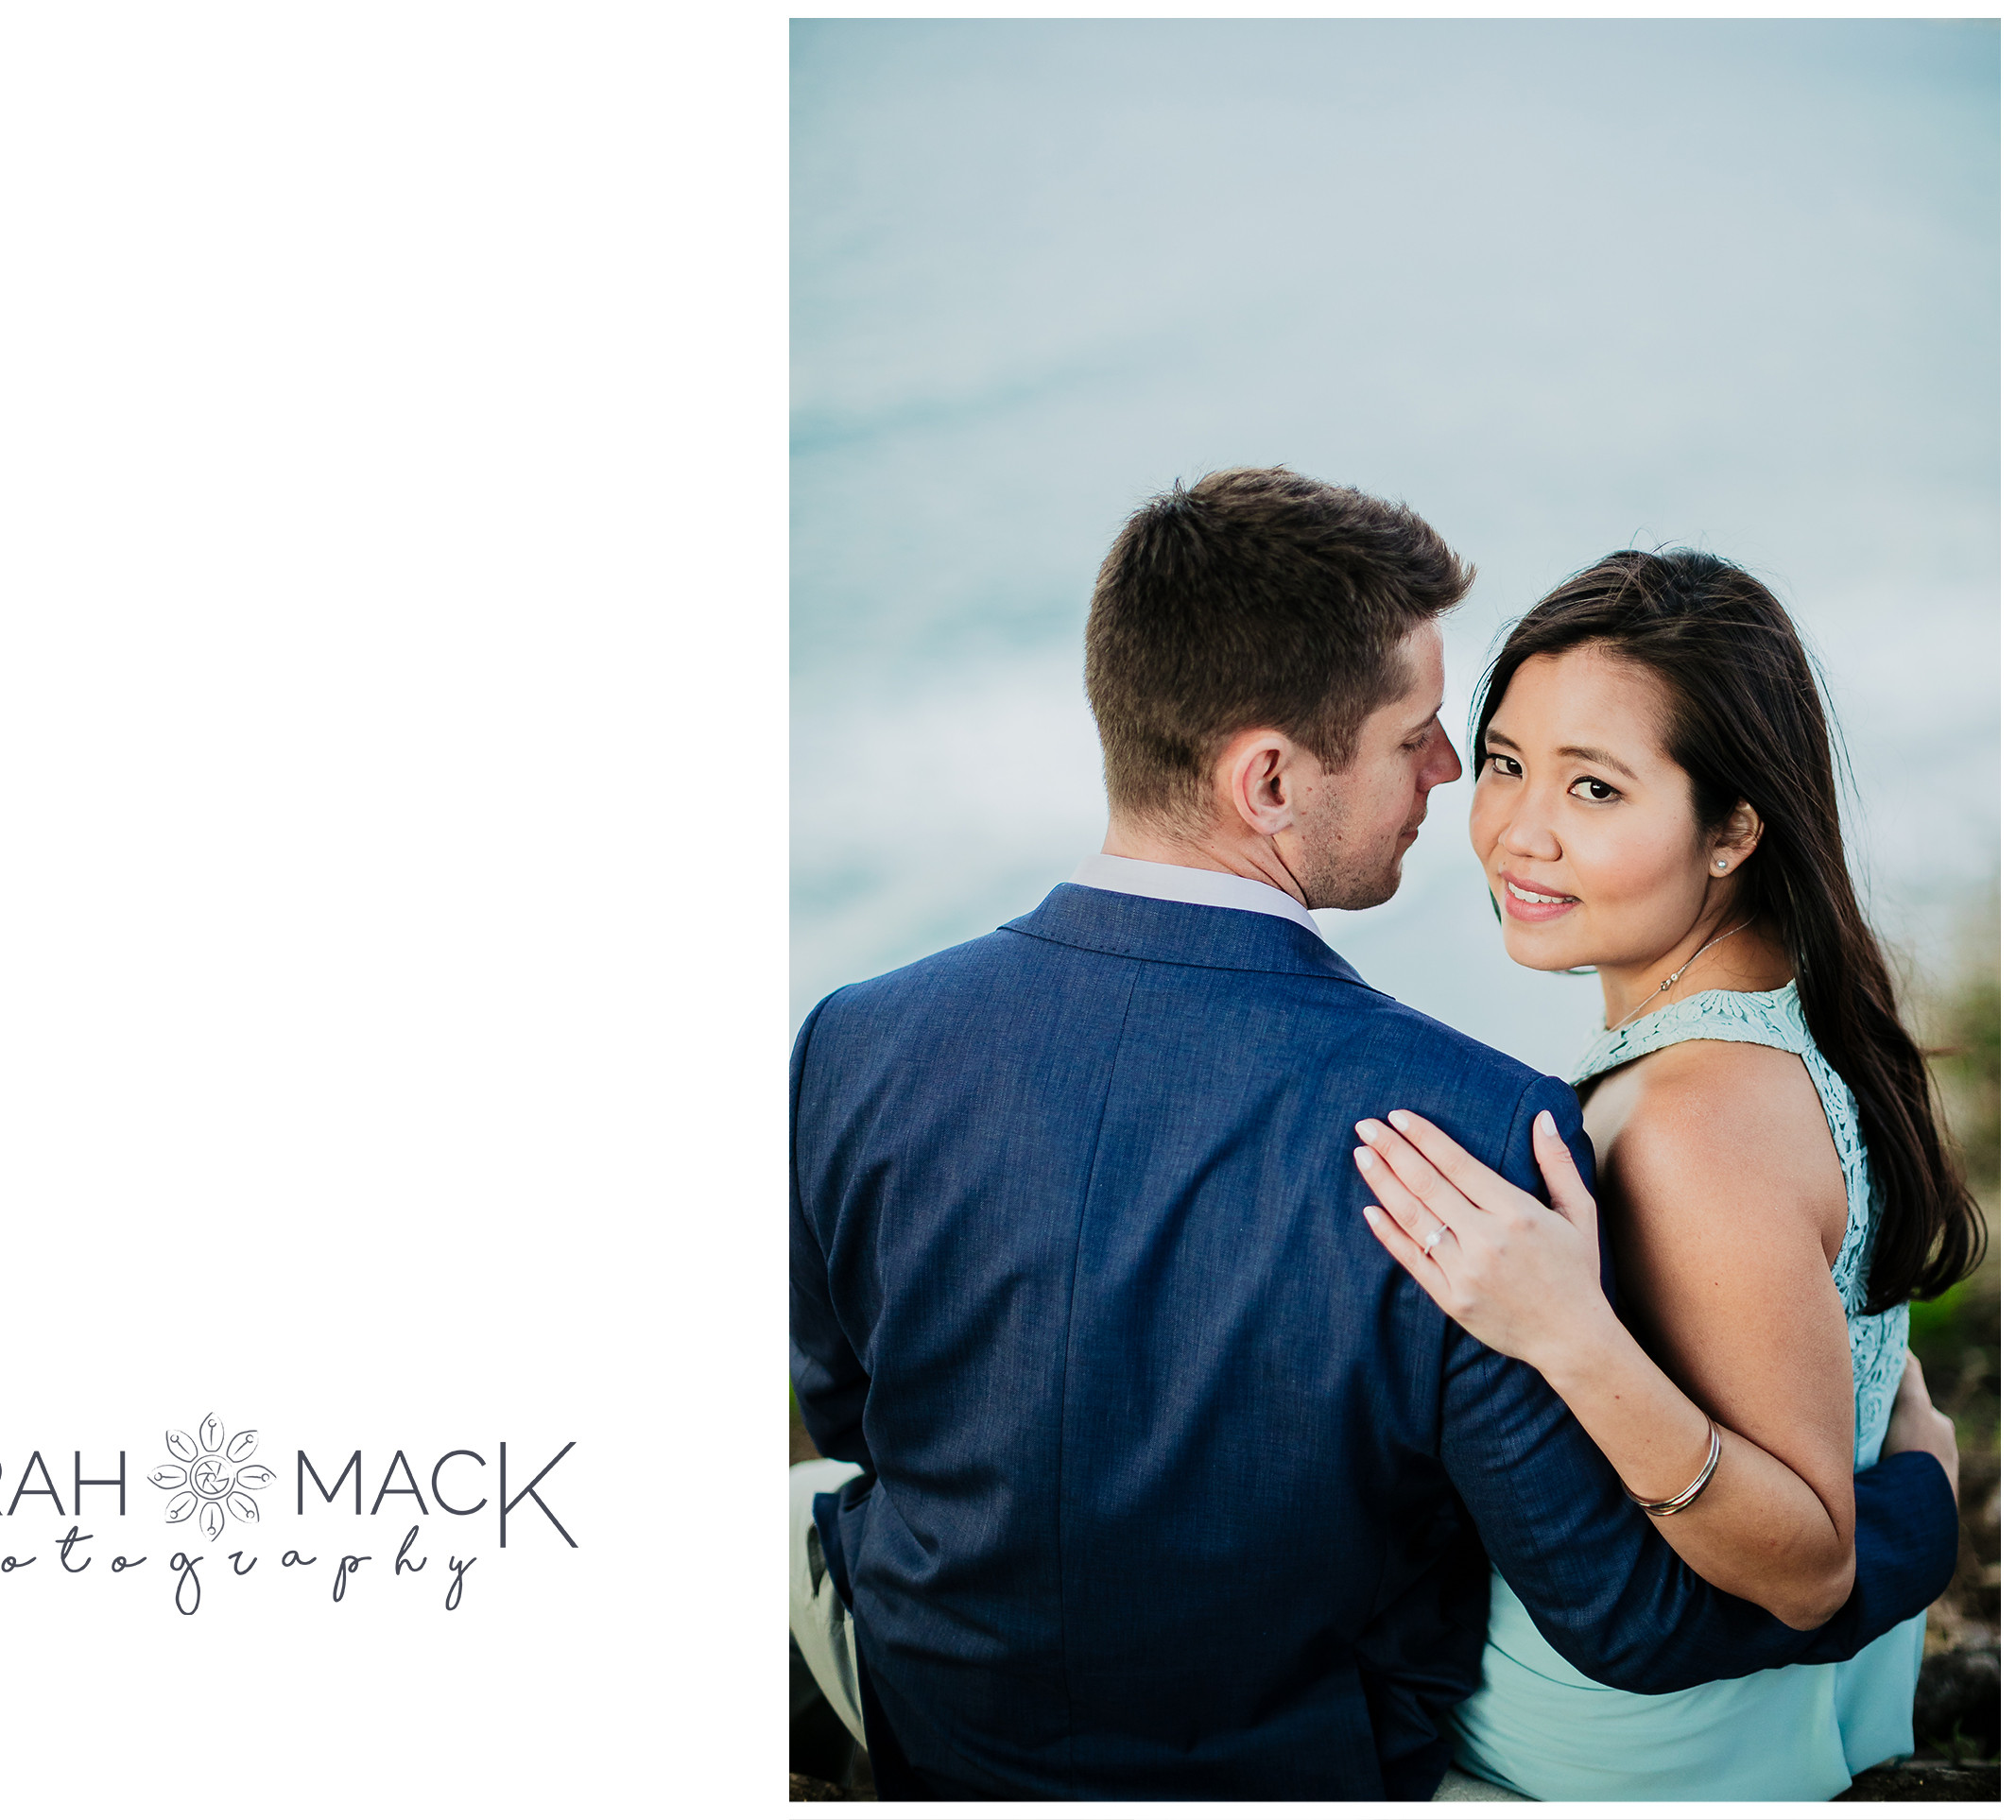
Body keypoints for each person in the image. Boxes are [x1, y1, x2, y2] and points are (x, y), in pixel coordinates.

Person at [787, 469, 1960, 1801]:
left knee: (796, 1511)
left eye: (1582, 782)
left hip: (945, 1732)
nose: (1458, 778)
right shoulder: (1462, 1129)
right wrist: (1917, 1505)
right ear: (1270, 779)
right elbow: (1624, 1609)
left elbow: (851, 1406)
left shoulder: (854, 1037)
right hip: (1308, 1763)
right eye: (1434, 737)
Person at [1351, 549, 1980, 1798]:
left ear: (1732, 828)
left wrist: (1565, 1331)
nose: (1518, 830)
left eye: (1593, 787)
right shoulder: (1793, 1021)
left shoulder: (1692, 1123)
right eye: (1508, 761)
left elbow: (1804, 1562)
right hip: (1764, 1716)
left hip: (1622, 1753)